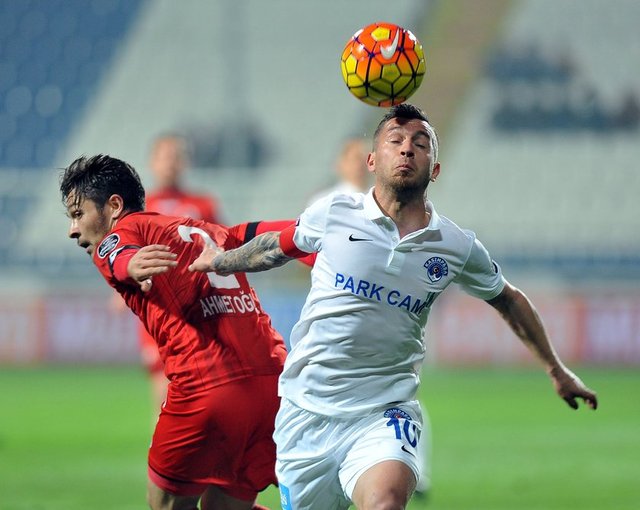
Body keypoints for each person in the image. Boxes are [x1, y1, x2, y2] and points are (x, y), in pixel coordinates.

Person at [189, 103, 599, 510]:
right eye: (396, 140)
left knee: (385, 502)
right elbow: (273, 249)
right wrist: (220, 261)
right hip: (306, 412)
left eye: (420, 143)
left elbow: (507, 298)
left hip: (384, 410)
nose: (407, 149)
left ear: (435, 169)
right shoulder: (334, 213)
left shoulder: (455, 245)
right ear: (372, 160)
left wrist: (556, 369)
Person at [60, 154, 301, 510]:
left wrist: (129, 263)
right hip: (275, 385)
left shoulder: (122, 231)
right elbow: (261, 233)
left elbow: (117, 253)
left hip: (208, 386)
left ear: (114, 206)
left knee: (165, 503)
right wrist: (313, 232)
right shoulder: (208, 229)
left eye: (78, 214)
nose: (73, 230)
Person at [112, 133, 224, 416]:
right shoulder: (137, 207)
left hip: (198, 310)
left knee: (208, 393)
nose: (171, 163)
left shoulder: (203, 205)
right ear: (152, 162)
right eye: (165, 157)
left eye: (176, 157)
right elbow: (122, 253)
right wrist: (119, 288)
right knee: (164, 393)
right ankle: (164, 444)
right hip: (158, 310)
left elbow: (222, 246)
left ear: (186, 163)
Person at [307, 136, 371, 205]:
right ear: (341, 163)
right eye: (356, 158)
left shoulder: (376, 198)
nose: (361, 164)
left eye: (366, 158)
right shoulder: (324, 201)